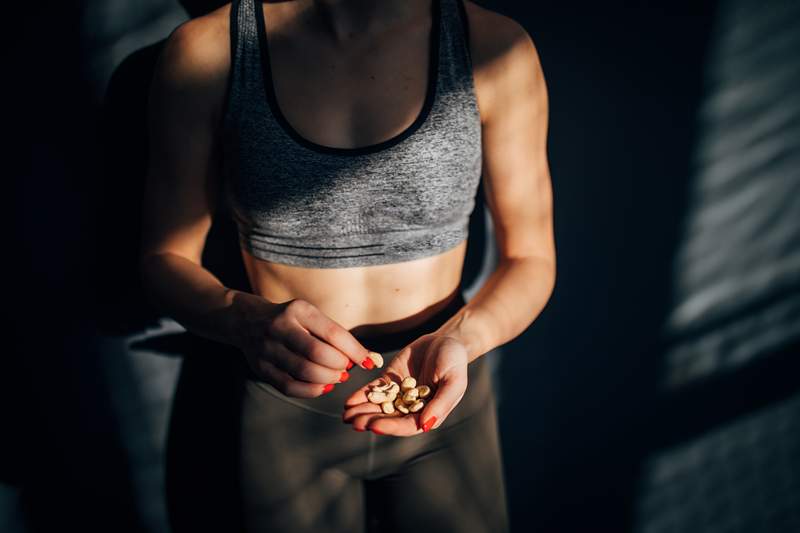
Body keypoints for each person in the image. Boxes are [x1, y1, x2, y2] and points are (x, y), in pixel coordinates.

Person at [140, 0, 555, 531]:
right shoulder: (209, 49)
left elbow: (531, 258)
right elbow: (162, 257)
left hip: (443, 395)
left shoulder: (494, 46)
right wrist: (242, 320)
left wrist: (464, 340)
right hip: (284, 407)